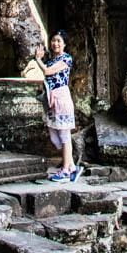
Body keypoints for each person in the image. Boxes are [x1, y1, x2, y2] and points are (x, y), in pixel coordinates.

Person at [34, 29, 78, 182]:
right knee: (55, 136)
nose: (55, 43)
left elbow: (47, 71)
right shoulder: (52, 59)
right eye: (53, 40)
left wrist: (38, 59)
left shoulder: (66, 59)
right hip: (51, 98)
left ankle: (66, 170)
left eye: (59, 41)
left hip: (61, 97)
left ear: (64, 44)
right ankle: (71, 165)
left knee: (64, 134)